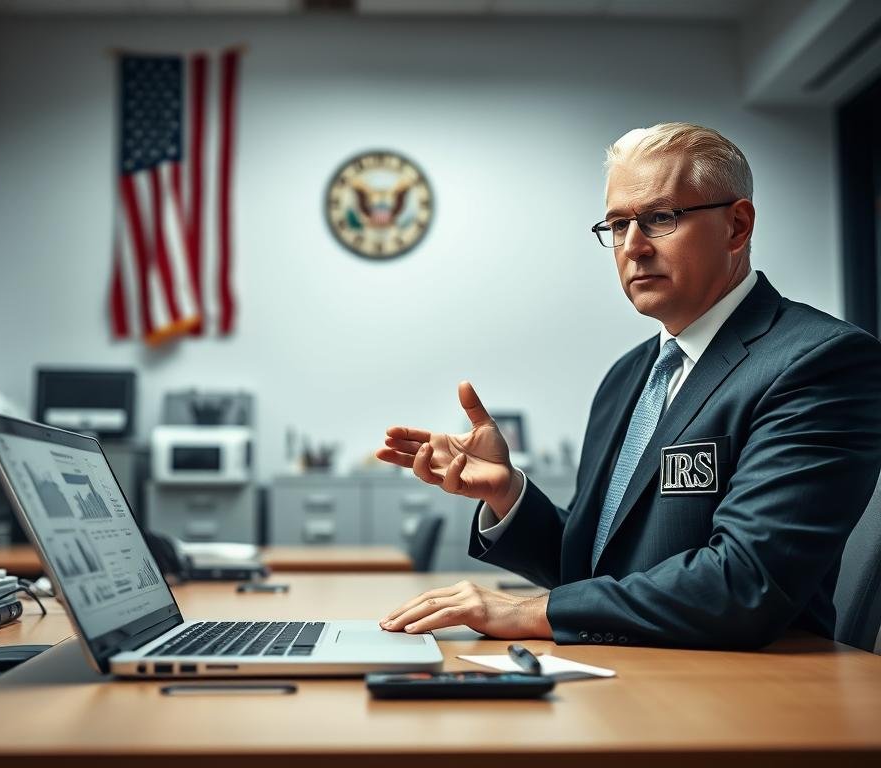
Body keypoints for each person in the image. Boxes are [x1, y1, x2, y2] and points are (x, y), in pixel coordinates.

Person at [375, 122, 881, 649]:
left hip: (742, 693)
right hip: (624, 678)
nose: (633, 247)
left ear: (737, 226)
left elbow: (745, 582)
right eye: (618, 225)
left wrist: (528, 613)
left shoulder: (820, 361)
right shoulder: (628, 376)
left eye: (660, 218)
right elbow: (594, 570)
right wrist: (508, 493)